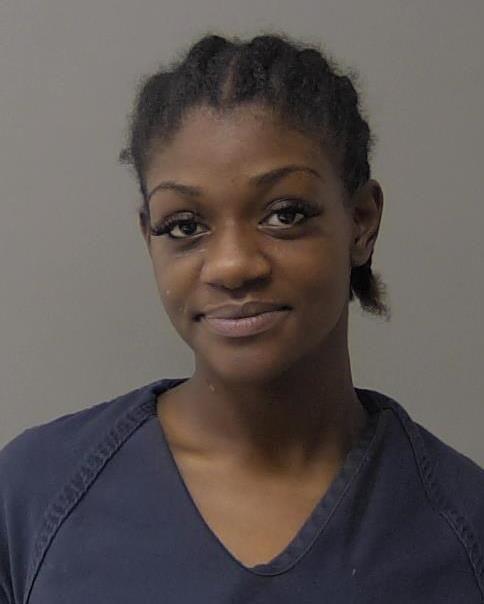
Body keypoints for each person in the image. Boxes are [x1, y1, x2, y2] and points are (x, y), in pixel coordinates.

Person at [0, 32, 483, 604]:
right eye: (184, 226)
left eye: (285, 214)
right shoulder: (33, 493)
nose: (232, 265)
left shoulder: (464, 527)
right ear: (149, 236)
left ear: (360, 222)